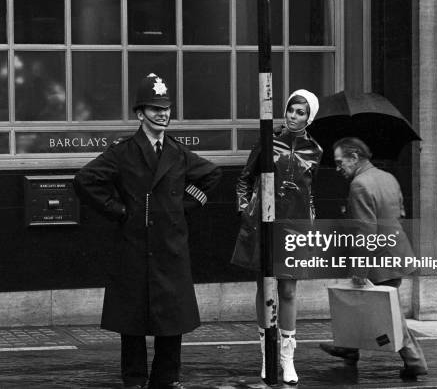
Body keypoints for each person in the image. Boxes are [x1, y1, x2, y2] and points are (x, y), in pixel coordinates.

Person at [74, 73, 222, 389]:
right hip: (134, 246)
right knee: (132, 320)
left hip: (170, 247)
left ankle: (167, 379)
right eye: (155, 109)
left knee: (173, 320)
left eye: (166, 108)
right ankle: (134, 379)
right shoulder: (123, 151)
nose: (163, 114)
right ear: (140, 113)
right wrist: (119, 210)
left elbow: (211, 175)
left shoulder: (178, 152)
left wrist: (182, 207)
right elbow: (85, 180)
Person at [231, 90, 323, 385]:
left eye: (301, 112)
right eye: (291, 110)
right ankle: (266, 355)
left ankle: (288, 359)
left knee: (288, 292)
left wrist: (310, 223)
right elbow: (245, 178)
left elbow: (310, 192)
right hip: (263, 224)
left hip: (294, 228)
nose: (294, 116)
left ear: (310, 117)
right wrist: (245, 210)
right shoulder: (267, 141)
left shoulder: (315, 151)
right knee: (265, 288)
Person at [319, 137, 428, 380]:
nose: (338, 168)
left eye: (340, 162)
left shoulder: (359, 184)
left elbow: (366, 232)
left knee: (389, 314)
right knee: (362, 304)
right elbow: (400, 212)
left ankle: (415, 360)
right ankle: (348, 348)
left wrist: (360, 268)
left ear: (354, 157)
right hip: (396, 252)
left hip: (377, 259)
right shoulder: (387, 177)